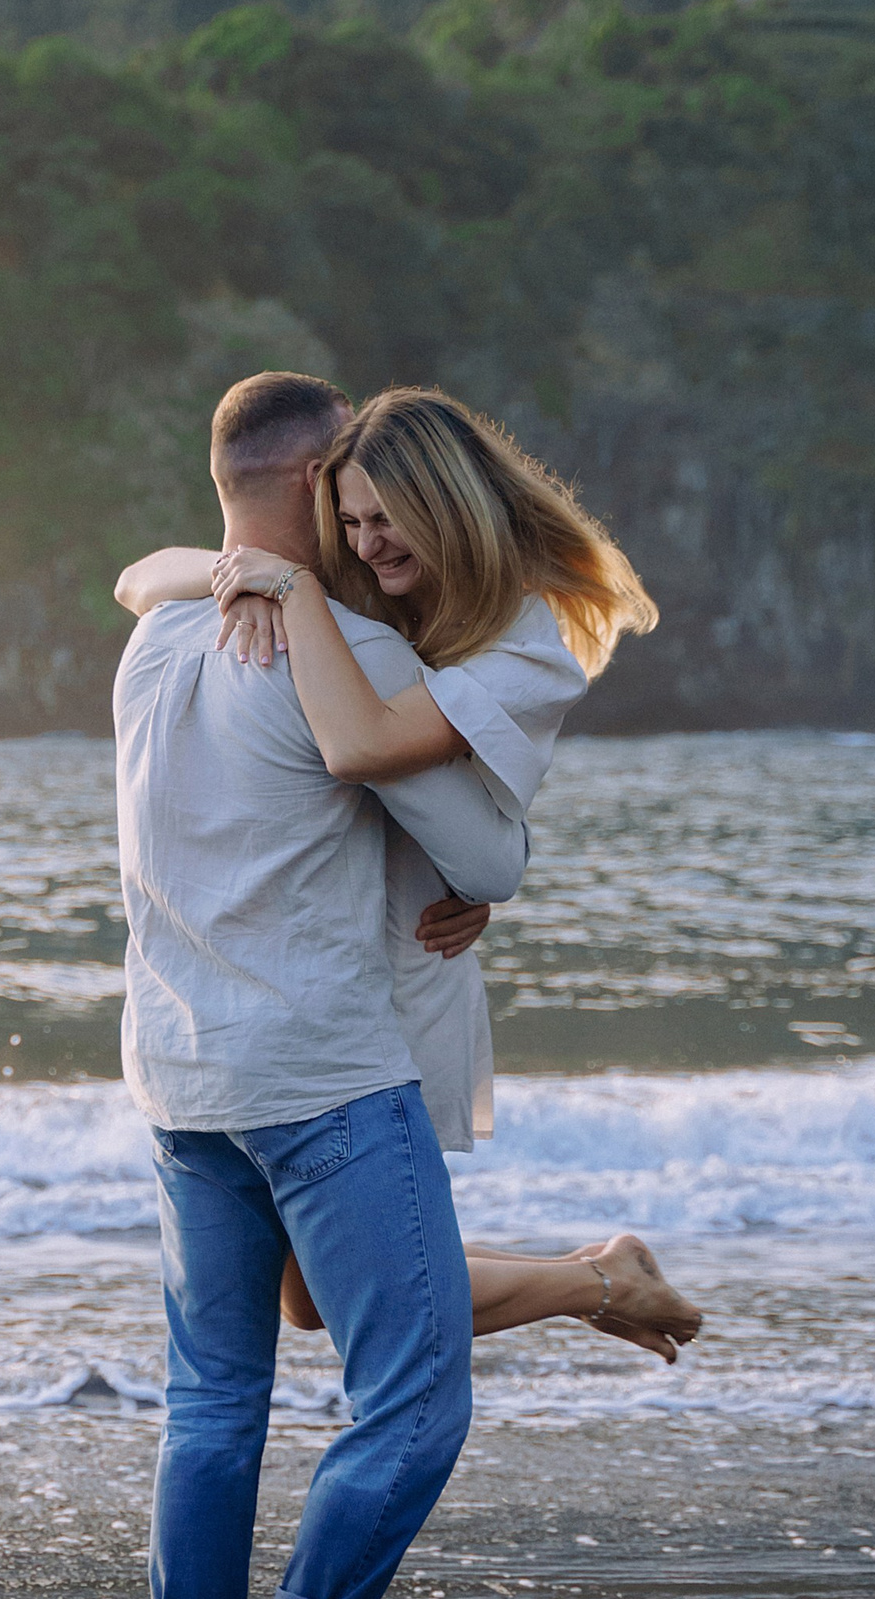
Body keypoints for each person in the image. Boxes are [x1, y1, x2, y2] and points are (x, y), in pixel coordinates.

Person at [117, 370, 568, 1599]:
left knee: (214, 1401)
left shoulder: (152, 645)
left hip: (179, 1079)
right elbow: (481, 856)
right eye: (356, 499)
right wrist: (476, 884)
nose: (372, 530)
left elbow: (143, 578)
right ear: (319, 489)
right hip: (317, 1077)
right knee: (415, 1396)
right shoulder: (346, 649)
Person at [116, 381, 699, 1368]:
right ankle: (600, 1278)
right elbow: (139, 575)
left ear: (442, 509)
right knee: (314, 1302)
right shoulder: (350, 587)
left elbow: (425, 797)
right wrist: (246, 572)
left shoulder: (521, 644)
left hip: (391, 980)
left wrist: (482, 882)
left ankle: (603, 1279)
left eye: (385, 520)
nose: (365, 540)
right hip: (332, 951)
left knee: (348, 1297)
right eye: (349, 519)